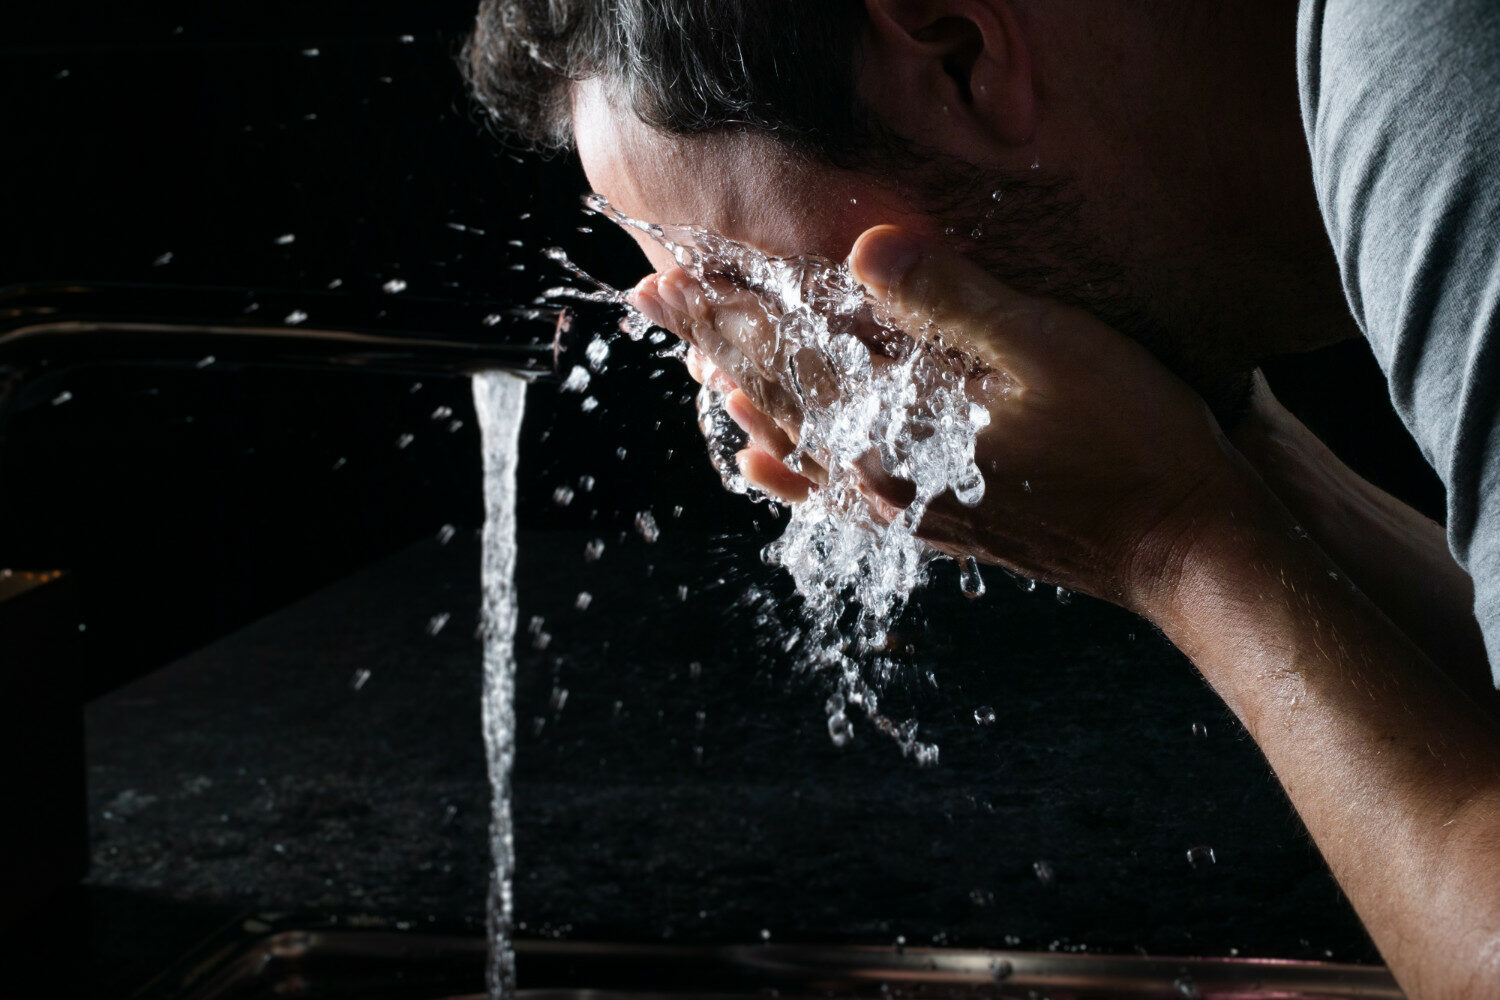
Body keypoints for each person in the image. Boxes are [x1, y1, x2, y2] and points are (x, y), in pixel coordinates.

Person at [466, 1, 1500, 995]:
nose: (773, 367)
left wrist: (1176, 547)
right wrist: (1227, 453)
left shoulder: (1432, 72)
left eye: (763, 285)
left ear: (959, 52)